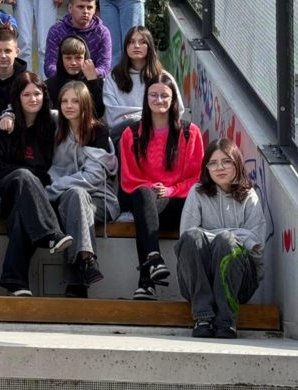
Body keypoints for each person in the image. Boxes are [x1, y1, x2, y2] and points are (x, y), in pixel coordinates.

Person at [119, 71, 204, 300]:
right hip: (147, 201)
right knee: (142, 196)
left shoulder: (190, 133)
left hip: (177, 203)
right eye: (153, 95)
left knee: (144, 209)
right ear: (146, 98)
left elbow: (196, 177)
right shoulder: (131, 134)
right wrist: (152, 188)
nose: (159, 100)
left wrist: (171, 190)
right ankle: (154, 259)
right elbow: (129, 177)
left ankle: (146, 281)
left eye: (164, 96)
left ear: (173, 99)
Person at [0, 73, 72, 296]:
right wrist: (7, 113)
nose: (33, 99)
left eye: (37, 93)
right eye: (26, 95)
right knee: (24, 176)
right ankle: (51, 233)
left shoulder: (51, 125)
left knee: (21, 215)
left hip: (38, 194)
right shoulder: (3, 127)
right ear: (17, 97)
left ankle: (15, 281)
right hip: (5, 189)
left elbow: (76, 115)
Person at [176, 138, 266, 338]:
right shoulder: (197, 193)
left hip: (240, 283)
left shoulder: (249, 196)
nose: (219, 168)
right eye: (213, 163)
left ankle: (227, 321)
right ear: (206, 168)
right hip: (199, 284)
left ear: (237, 163)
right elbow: (186, 238)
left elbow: (256, 244)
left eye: (226, 161)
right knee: (192, 237)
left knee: (226, 241)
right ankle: (203, 317)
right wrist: (236, 234)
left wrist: (219, 236)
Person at [47, 81, 119, 297]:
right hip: (64, 199)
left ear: (85, 103)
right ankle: (86, 262)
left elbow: (93, 177)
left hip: (99, 200)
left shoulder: (98, 131)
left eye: (75, 101)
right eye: (64, 101)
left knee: (77, 195)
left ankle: (78, 275)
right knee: (75, 198)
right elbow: (27, 105)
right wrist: (8, 115)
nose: (69, 106)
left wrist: (51, 190)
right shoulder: (54, 123)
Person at [104, 25, 164, 140]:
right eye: (131, 42)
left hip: (156, 131)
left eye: (142, 42)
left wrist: (137, 117)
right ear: (126, 47)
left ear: (149, 47)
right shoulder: (113, 77)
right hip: (123, 134)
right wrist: (140, 118)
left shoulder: (162, 77)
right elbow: (112, 116)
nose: (136, 46)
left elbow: (175, 109)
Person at [43, 0, 111, 79]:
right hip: (62, 80)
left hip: (91, 79)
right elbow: (49, 66)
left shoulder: (102, 32)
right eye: (80, 7)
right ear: (70, 8)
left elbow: (105, 67)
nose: (85, 11)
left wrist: (88, 74)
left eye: (89, 7)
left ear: (95, 10)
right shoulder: (56, 31)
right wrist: (67, 76)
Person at [44, 36, 105, 118]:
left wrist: (93, 82)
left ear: (85, 58)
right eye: (68, 58)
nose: (73, 63)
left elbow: (98, 113)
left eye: (78, 58)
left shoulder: (95, 82)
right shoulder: (49, 85)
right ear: (61, 59)